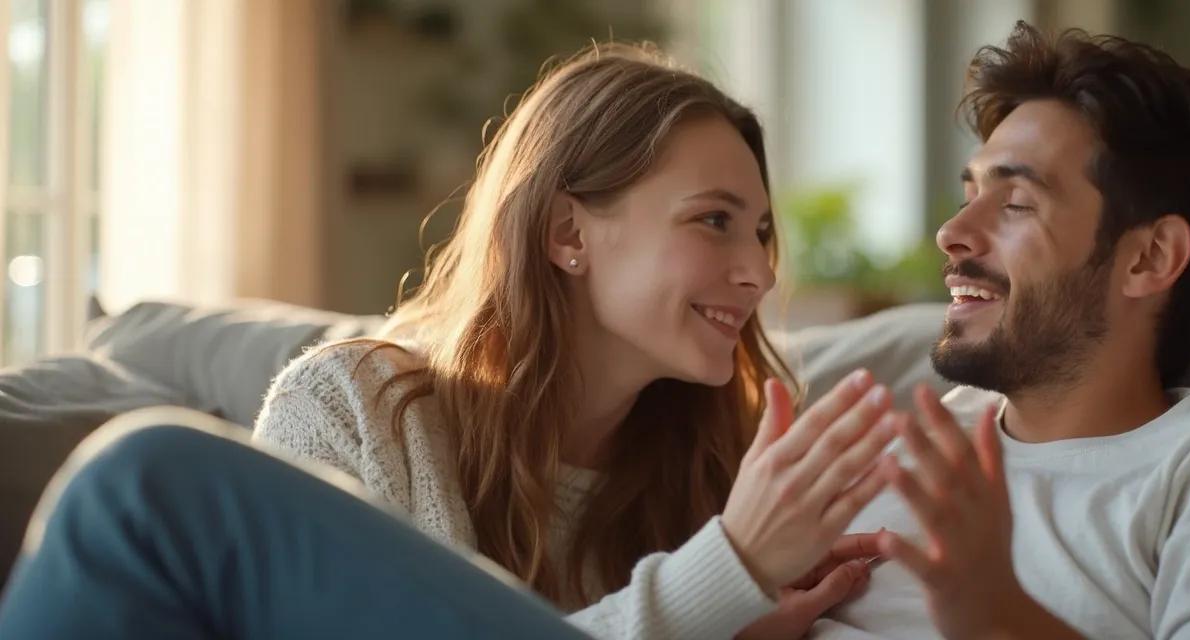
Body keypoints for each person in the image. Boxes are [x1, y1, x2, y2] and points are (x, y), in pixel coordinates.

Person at [0, 44, 900, 640]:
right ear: (567, 235)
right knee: (141, 478)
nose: (759, 273)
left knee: (141, 480)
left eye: (762, 234)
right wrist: (720, 579)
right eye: (715, 222)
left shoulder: (732, 472)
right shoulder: (351, 406)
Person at [811, 23, 1190, 639]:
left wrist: (999, 620)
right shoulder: (905, 442)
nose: (951, 233)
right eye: (971, 192)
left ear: (1149, 258)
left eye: (1017, 203)